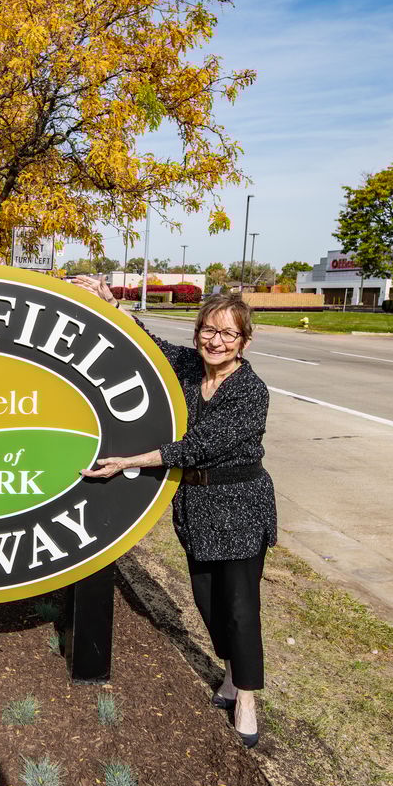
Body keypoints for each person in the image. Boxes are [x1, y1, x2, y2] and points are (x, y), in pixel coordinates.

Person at [76, 280, 276, 747]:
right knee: (209, 603)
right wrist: (113, 305)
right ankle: (231, 675)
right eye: (208, 330)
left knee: (240, 607)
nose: (216, 341)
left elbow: (198, 447)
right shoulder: (189, 367)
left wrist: (129, 462)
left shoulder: (251, 391)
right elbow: (151, 345)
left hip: (240, 506)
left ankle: (247, 698)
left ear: (245, 342)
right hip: (196, 507)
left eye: (228, 334)